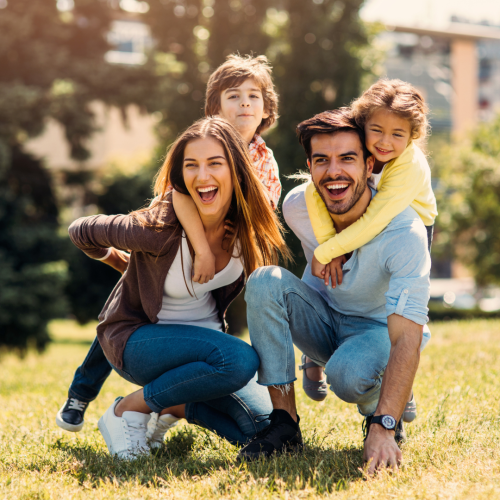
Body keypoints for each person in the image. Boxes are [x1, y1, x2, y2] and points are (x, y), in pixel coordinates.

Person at [56, 54, 282, 433]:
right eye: (234, 96)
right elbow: (179, 193)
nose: (245, 103)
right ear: (214, 110)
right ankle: (90, 395)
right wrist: (201, 246)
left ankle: (171, 407)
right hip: (165, 261)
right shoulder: (197, 152)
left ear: (266, 109)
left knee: (260, 425)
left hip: (203, 308)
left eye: (253, 96)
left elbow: (262, 215)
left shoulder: (263, 161)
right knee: (128, 298)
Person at [238, 109, 431, 475]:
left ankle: (384, 404)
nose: (334, 172)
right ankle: (284, 424)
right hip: (327, 321)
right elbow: (314, 274)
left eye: (347, 158)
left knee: (347, 374)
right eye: (322, 160)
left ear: (370, 164)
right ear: (309, 166)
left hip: (379, 331)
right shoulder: (298, 207)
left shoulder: (404, 231)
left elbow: (408, 335)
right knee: (264, 279)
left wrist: (383, 425)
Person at [300, 80, 437, 425]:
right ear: (363, 127)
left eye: (398, 135)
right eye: (376, 130)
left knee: (396, 305)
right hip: (361, 223)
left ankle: (395, 373)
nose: (385, 142)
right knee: (318, 281)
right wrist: (327, 246)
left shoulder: (408, 166)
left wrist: (330, 248)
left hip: (403, 226)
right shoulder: (358, 149)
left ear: (413, 136)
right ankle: (313, 357)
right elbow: (312, 192)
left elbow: (376, 220)